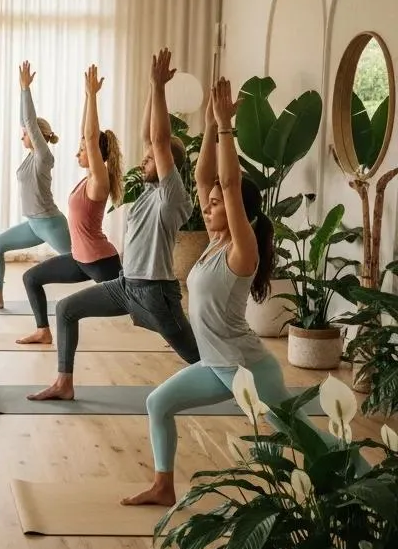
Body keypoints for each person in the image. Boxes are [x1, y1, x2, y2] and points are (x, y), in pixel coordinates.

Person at [122, 78, 332, 505]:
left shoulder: (241, 250)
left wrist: (225, 129)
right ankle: (164, 486)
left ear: (240, 214)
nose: (209, 204)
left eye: (216, 204)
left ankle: (361, 482)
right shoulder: (214, 243)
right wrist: (208, 122)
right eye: (211, 200)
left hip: (248, 370)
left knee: (304, 437)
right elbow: (206, 178)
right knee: (158, 402)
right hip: (215, 366)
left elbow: (231, 187)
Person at [27, 48, 201, 401]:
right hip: (126, 284)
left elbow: (160, 140)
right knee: (66, 309)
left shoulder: (172, 196)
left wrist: (159, 87)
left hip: (155, 293)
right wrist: (153, 90)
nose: (146, 157)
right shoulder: (149, 191)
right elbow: (149, 136)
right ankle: (64, 382)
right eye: (147, 156)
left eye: (152, 158)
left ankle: (241, 385)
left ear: (169, 165)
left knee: (199, 358)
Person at [16, 64, 125, 341]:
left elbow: (90, 137)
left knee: (138, 308)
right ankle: (43, 331)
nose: (78, 153)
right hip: (80, 260)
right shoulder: (86, 179)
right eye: (79, 149)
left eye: (82, 150)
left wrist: (92, 96)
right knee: (31, 278)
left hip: (102, 262)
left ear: (96, 155)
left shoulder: (99, 181)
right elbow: (86, 134)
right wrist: (87, 98)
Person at [0, 61, 72, 309]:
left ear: (36, 135)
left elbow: (28, 120)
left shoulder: (43, 156)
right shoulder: (30, 156)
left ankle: (119, 288)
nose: (22, 136)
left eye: (26, 133)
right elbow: (26, 124)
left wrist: (25, 89)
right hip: (33, 224)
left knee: (83, 263)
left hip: (50, 223)